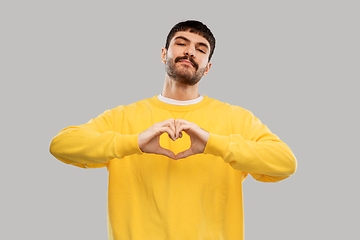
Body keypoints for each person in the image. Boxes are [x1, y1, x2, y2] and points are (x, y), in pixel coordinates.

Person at [50, 20, 297, 240]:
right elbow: (61, 145)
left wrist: (213, 144)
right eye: (181, 43)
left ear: (207, 67)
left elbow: (285, 163)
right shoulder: (123, 117)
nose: (190, 51)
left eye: (201, 49)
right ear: (164, 53)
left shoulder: (236, 118)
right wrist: (134, 143)